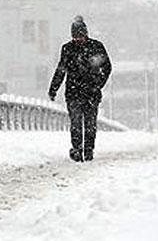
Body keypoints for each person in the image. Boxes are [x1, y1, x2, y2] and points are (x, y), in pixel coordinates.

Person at [48, 15, 112, 162]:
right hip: (74, 92)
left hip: (90, 92)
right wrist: (54, 88)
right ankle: (77, 149)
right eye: (75, 37)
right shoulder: (68, 49)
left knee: (90, 123)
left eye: (80, 36)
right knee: (76, 122)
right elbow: (61, 70)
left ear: (85, 34)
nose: (78, 40)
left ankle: (88, 149)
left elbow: (107, 67)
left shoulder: (96, 47)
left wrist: (98, 84)